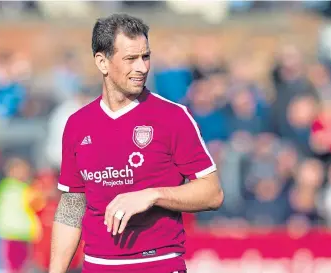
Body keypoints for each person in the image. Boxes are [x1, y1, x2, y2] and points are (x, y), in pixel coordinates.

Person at [49, 14, 224, 273]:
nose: (142, 67)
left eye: (146, 56)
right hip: (98, 266)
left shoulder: (173, 117)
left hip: (158, 264)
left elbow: (212, 193)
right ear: (102, 62)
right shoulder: (77, 124)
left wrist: (153, 195)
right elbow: (73, 205)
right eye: (130, 59)